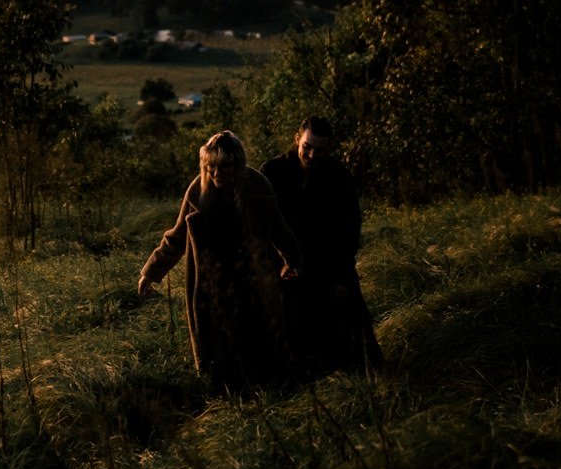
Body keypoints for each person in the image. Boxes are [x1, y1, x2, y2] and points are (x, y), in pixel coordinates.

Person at [137, 130, 302, 390]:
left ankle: (265, 390)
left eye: (224, 166)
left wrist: (292, 260)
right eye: (210, 167)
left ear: (238, 163)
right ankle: (222, 394)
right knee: (216, 346)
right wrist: (152, 271)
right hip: (211, 280)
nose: (216, 174)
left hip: (251, 277)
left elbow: (279, 229)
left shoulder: (257, 186)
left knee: (256, 340)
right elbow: (177, 236)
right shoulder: (197, 190)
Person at [260, 116, 383, 375]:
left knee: (355, 336)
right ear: (297, 139)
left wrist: (341, 275)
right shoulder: (272, 172)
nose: (313, 154)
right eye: (308, 147)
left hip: (327, 263)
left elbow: (349, 230)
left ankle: (361, 378)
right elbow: (260, 225)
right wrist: (273, 265)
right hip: (284, 266)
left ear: (330, 148)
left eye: (321, 149)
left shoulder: (339, 177)